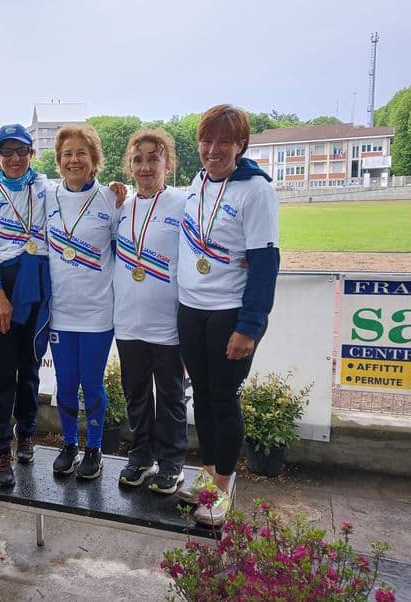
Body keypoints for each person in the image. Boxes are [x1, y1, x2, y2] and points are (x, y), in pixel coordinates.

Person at [175, 104, 280, 526]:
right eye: (206, 140)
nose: (213, 149)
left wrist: (249, 327)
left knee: (223, 400)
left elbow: (266, 262)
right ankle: (209, 473)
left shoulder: (256, 190)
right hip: (192, 309)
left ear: (240, 145)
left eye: (223, 141)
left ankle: (222, 489)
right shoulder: (198, 182)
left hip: (229, 314)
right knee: (201, 396)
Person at [0, 124, 51, 488]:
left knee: (30, 368)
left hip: (36, 282)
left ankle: (27, 434)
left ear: (31, 154)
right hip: (3, 285)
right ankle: (0, 450)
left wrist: (113, 194)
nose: (15, 159)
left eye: (21, 151)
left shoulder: (45, 187)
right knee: (1, 374)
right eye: (7, 152)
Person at [113, 129, 188, 493]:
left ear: (168, 164)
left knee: (171, 395)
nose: (146, 166)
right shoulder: (120, 207)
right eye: (138, 159)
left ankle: (172, 462)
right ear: (130, 165)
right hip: (128, 322)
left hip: (168, 324)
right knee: (136, 394)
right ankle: (141, 456)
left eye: (153, 158)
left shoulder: (184, 204)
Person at [46, 124, 119, 480]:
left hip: (97, 314)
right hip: (60, 314)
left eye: (81, 153)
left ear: (94, 161)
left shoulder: (112, 199)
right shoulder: (47, 197)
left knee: (91, 383)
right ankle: (70, 444)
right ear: (58, 161)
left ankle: (95, 448)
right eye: (67, 154)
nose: (73, 160)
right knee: (65, 381)